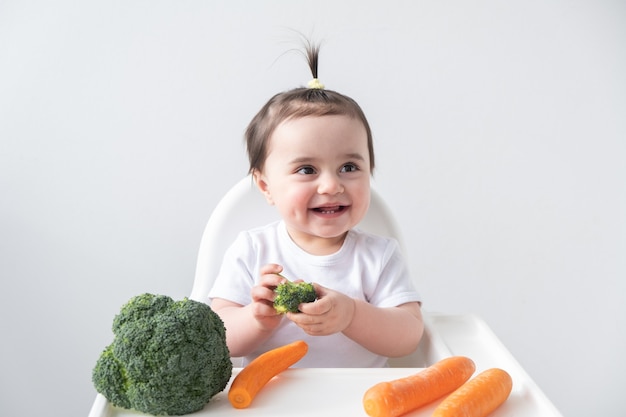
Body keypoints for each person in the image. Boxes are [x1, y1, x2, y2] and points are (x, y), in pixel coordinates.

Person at [208, 42, 423, 367]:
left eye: (349, 168)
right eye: (307, 170)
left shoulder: (379, 256)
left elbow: (408, 335)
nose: (332, 185)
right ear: (266, 187)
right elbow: (216, 338)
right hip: (268, 399)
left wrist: (352, 315)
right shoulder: (252, 250)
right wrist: (256, 319)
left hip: (359, 403)